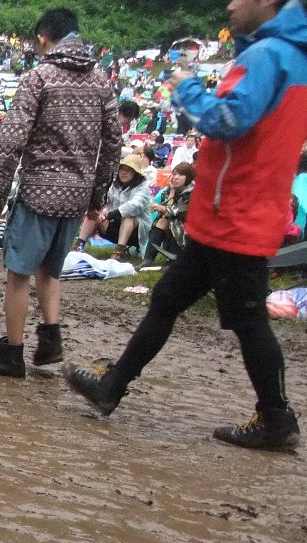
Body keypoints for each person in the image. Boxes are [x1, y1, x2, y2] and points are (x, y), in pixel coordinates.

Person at [62, 0, 306, 451]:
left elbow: (226, 120)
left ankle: (276, 416)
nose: (231, 4)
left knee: (249, 320)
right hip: (235, 213)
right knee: (169, 298)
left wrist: (188, 87)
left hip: (236, 214)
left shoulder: (267, 56)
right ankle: (112, 385)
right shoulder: (293, 57)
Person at [0, 7, 119, 378]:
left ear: (43, 37)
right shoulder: (101, 81)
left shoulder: (39, 77)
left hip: (40, 190)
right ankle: (51, 337)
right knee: (50, 272)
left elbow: (12, 142)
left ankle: (12, 352)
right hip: (77, 195)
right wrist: (97, 197)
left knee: (18, 274)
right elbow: (113, 144)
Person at [75, 153, 153, 260]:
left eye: (128, 170)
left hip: (135, 231)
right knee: (94, 213)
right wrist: (103, 212)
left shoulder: (143, 186)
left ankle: (118, 252)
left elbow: (135, 206)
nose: (124, 173)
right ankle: (79, 246)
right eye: (122, 169)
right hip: (113, 224)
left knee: (128, 217)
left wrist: (110, 215)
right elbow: (108, 203)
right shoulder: (114, 184)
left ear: (135, 173)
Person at [139, 162, 194, 264]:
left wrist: (163, 208)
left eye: (180, 175)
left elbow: (179, 211)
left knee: (174, 222)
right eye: (174, 174)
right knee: (162, 221)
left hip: (189, 231)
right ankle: (147, 260)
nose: (175, 177)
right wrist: (172, 191)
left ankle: (175, 260)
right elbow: (166, 214)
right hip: (171, 229)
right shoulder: (168, 190)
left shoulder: (193, 192)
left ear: (188, 177)